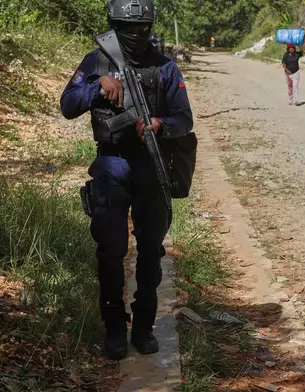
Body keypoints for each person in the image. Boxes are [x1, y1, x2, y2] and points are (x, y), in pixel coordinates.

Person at [60, 0, 193, 360]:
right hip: (111, 166)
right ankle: (115, 328)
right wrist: (97, 86)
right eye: (129, 29)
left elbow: (185, 119)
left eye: (143, 30)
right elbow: (68, 104)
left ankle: (145, 327)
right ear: (114, 26)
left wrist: (161, 125)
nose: (137, 36)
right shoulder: (96, 61)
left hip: (151, 168)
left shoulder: (165, 67)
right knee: (110, 252)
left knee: (151, 251)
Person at [281, 37, 305, 106]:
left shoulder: (297, 54)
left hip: (296, 72)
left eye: (293, 48)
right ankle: (290, 100)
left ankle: (296, 101)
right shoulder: (286, 55)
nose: (292, 49)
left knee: (295, 86)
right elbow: (283, 64)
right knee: (290, 87)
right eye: (291, 48)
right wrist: (287, 70)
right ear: (288, 49)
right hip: (287, 74)